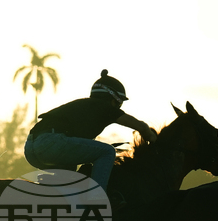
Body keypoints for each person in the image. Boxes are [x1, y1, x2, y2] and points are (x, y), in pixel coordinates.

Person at [24, 69, 157, 200]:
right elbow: (140, 126)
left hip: (31, 148)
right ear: (114, 98)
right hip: (50, 143)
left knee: (71, 172)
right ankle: (97, 197)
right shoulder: (104, 107)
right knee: (107, 152)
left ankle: (60, 196)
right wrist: (152, 138)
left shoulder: (85, 107)